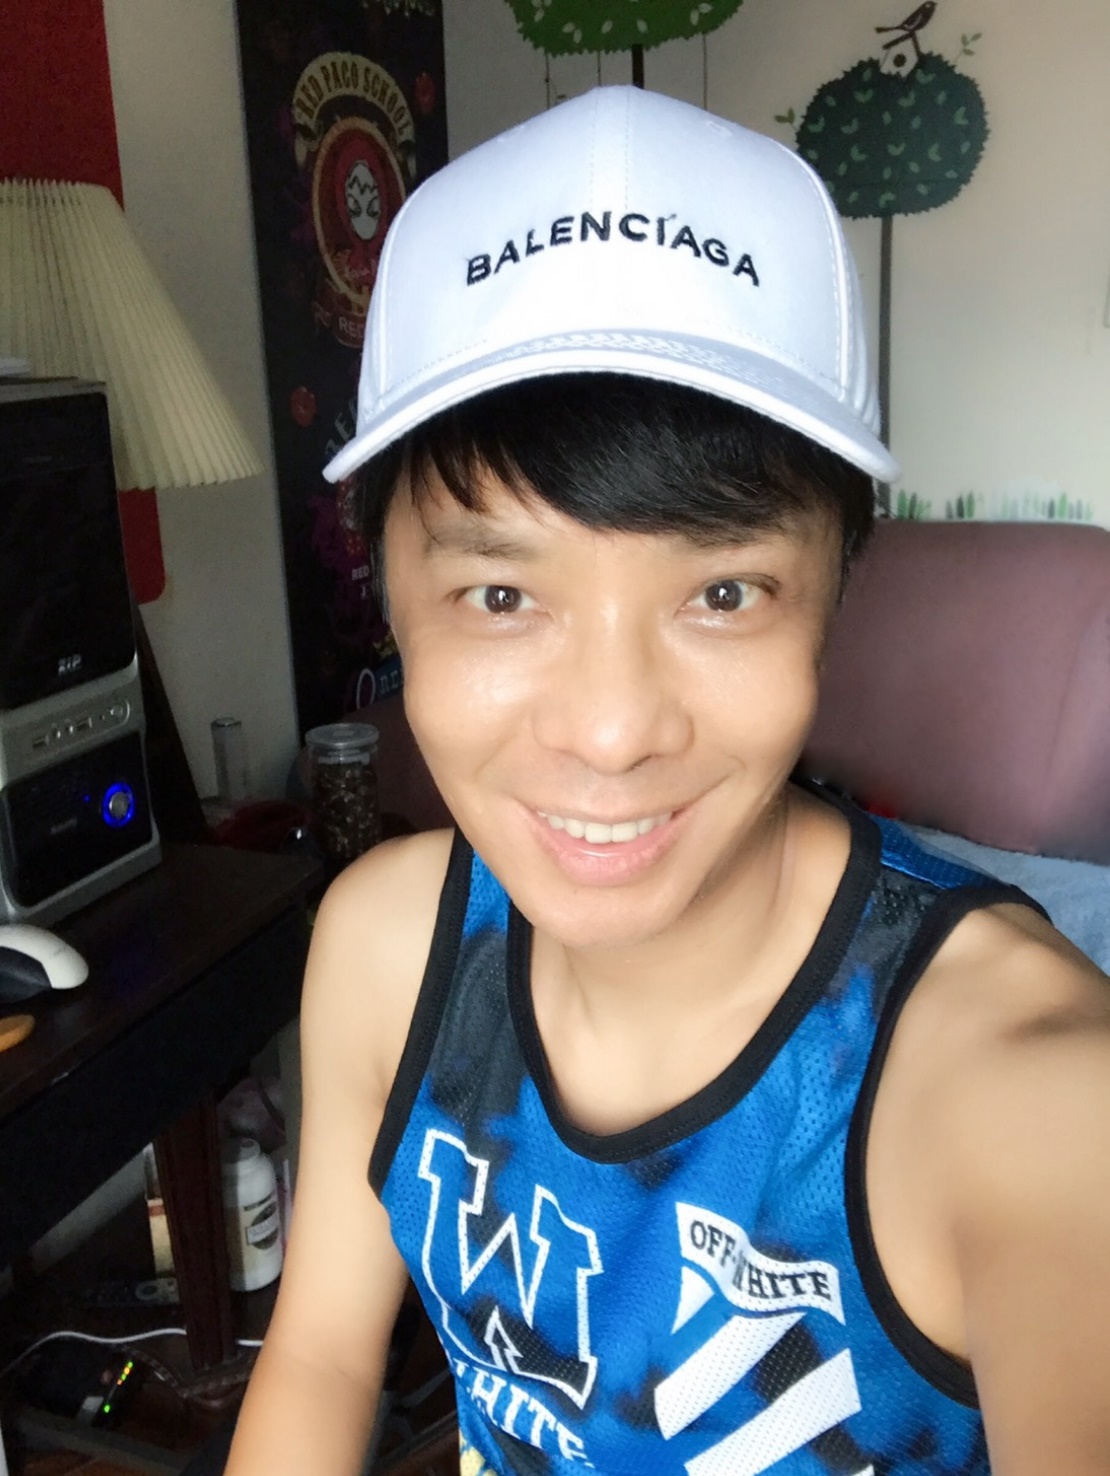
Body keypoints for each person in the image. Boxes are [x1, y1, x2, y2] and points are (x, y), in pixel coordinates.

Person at [225, 87, 1110, 1476]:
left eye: (723, 592)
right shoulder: (387, 948)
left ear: (834, 595)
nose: (611, 731)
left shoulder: (1029, 1098)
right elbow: (327, 1355)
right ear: (384, 593)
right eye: (503, 594)